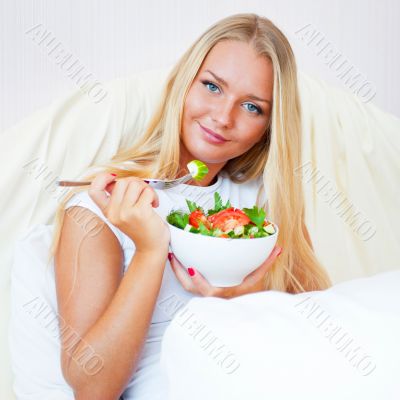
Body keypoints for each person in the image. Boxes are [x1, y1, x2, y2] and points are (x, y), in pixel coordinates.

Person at [10, 13, 331, 400]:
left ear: (269, 126)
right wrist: (150, 250)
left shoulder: (263, 203)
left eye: (252, 107)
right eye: (212, 86)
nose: (222, 117)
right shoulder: (102, 208)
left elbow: (321, 333)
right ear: (184, 83)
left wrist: (246, 300)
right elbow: (93, 390)